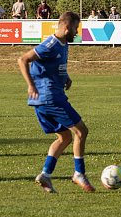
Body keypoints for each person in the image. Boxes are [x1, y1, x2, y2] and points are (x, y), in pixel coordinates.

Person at [18, 12, 93, 193]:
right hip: (50, 97)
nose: (77, 32)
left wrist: (65, 77)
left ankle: (45, 174)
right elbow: (23, 59)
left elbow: (50, 65)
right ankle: (78, 173)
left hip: (43, 100)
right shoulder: (50, 44)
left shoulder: (63, 44)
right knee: (81, 131)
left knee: (65, 137)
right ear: (66, 28)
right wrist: (31, 86)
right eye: (75, 29)